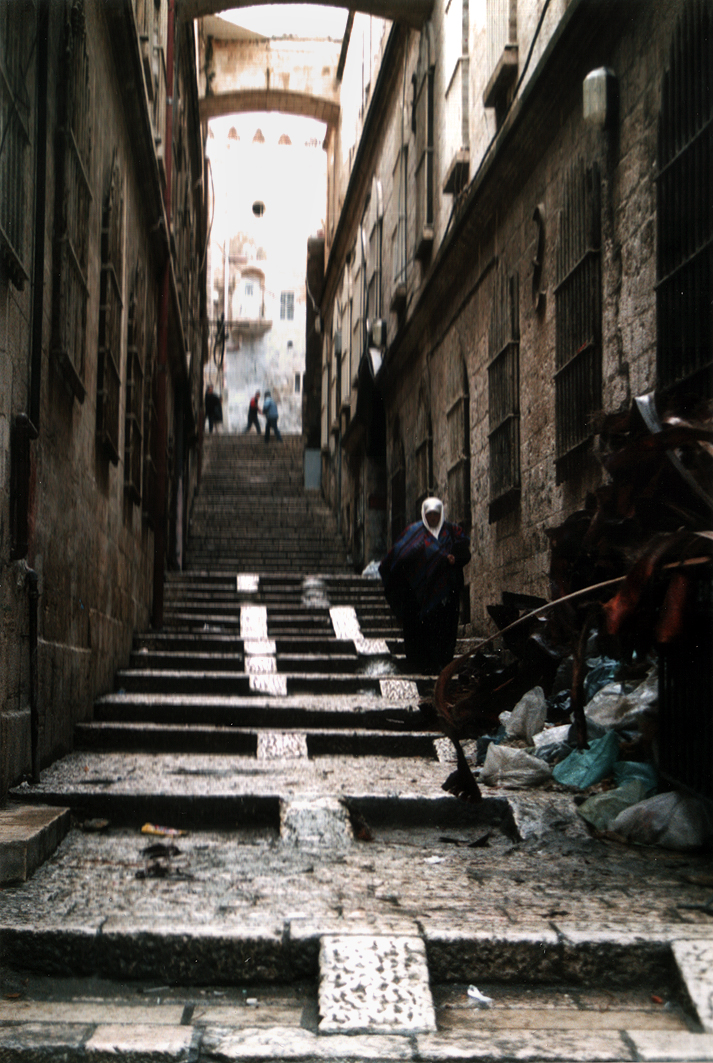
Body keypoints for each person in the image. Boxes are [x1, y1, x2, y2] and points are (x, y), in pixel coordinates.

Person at [379, 497, 471, 672]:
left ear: (441, 514)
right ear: (424, 515)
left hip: (447, 592)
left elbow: (465, 554)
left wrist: (454, 559)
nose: (433, 518)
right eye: (430, 515)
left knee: (446, 630)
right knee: (422, 631)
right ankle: (424, 665)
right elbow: (398, 556)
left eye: (436, 515)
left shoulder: (452, 532)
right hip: (420, 593)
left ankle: (443, 666)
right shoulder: (414, 533)